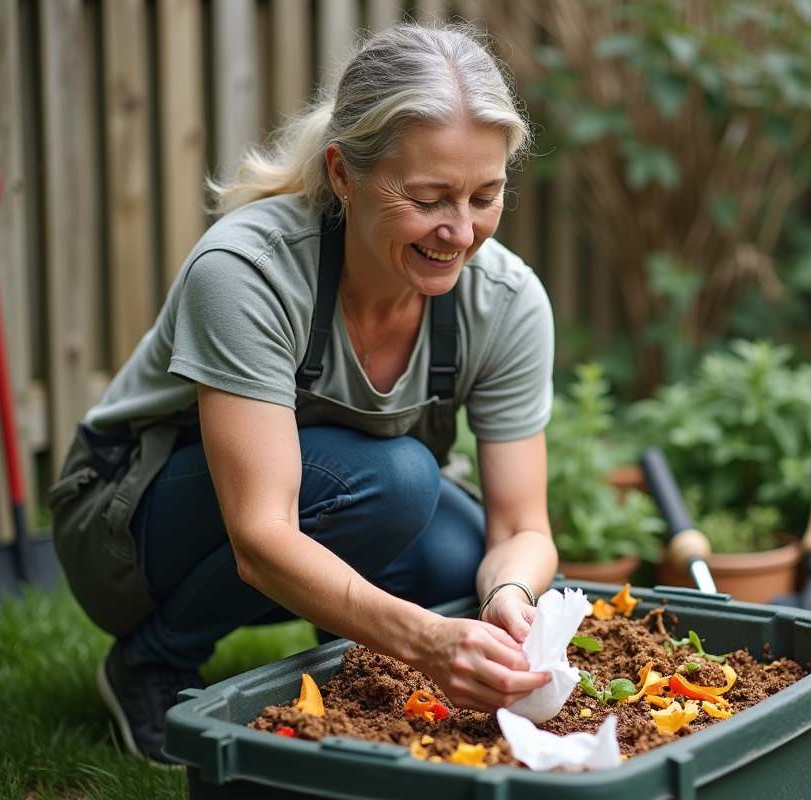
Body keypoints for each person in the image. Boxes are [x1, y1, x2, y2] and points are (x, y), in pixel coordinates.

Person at [48, 22, 557, 765]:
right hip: (129, 527)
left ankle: (354, 654)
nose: (460, 231)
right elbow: (260, 537)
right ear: (343, 174)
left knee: (459, 567)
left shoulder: (506, 301)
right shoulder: (247, 271)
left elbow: (522, 528)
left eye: (487, 195)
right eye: (429, 197)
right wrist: (423, 640)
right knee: (400, 482)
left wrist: (508, 597)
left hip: (328, 500)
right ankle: (151, 663)